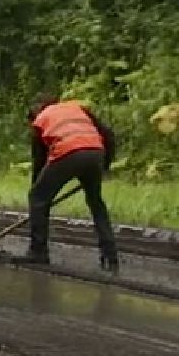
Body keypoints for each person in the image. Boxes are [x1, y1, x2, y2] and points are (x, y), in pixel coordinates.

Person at [24, 93, 119, 273]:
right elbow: (108, 135)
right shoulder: (77, 109)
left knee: (37, 198)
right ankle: (110, 254)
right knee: (95, 202)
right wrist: (104, 166)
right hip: (95, 151)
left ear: (35, 114)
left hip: (69, 152)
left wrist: (38, 196)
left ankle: (38, 252)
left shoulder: (41, 120)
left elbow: (39, 162)